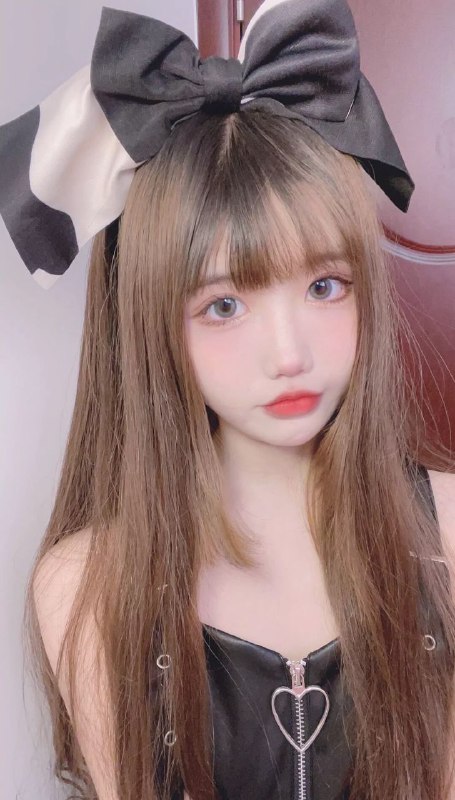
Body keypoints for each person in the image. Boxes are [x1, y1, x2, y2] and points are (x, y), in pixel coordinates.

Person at [1, 2, 455, 799]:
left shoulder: (447, 529)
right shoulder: (86, 587)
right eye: (223, 304)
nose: (288, 354)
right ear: (153, 324)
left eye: (324, 286)